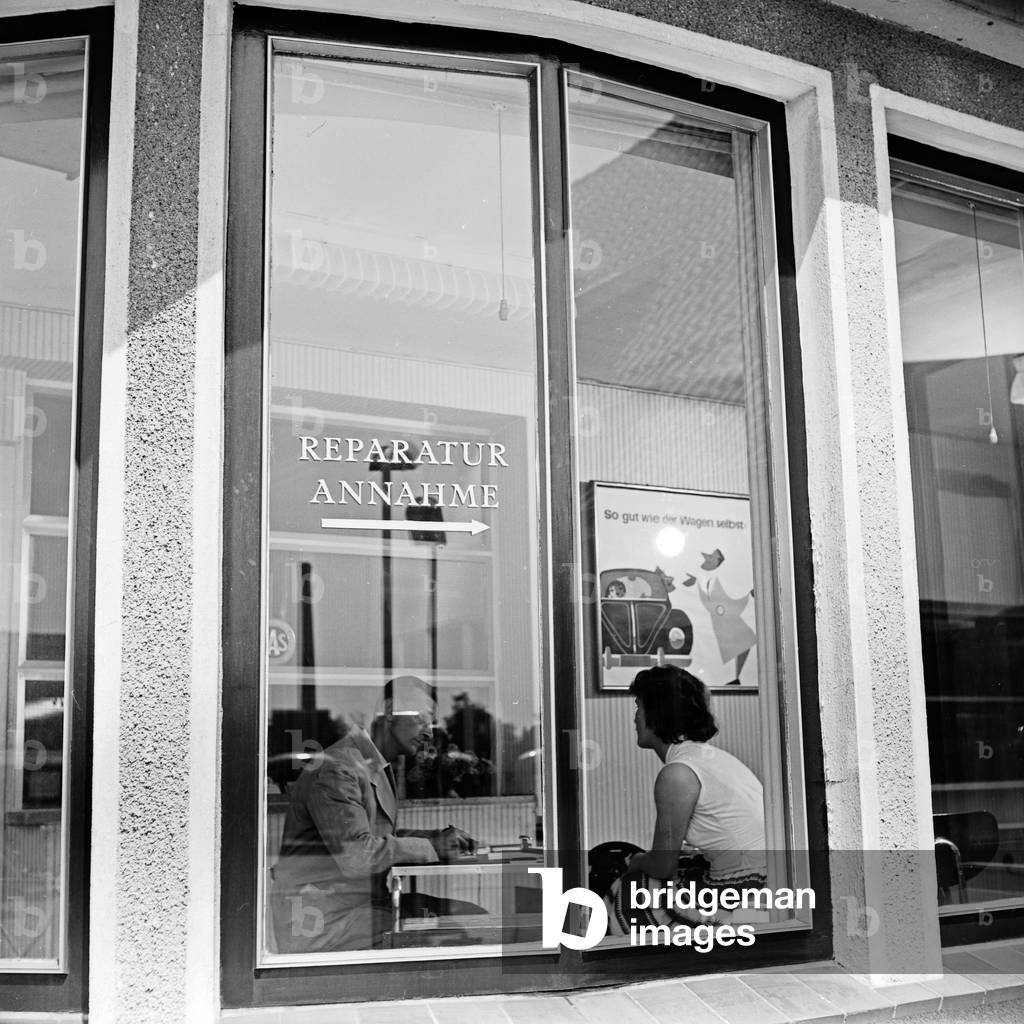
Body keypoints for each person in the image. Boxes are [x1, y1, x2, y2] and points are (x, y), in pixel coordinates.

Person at [271, 675, 476, 953]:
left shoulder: (371, 763)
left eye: (432, 722)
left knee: (466, 914)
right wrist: (430, 846)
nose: (429, 732)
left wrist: (435, 839)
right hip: (321, 924)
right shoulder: (339, 767)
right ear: (390, 711)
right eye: (422, 719)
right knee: (460, 925)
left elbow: (375, 837)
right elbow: (357, 854)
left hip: (357, 909)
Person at [604, 665, 766, 934]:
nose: (635, 718)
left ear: (657, 713)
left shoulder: (677, 773)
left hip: (744, 891)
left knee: (630, 889)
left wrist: (636, 860)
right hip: (763, 877)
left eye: (639, 706)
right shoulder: (712, 758)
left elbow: (662, 865)